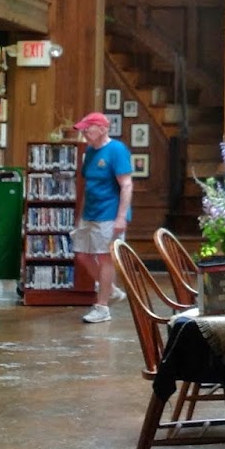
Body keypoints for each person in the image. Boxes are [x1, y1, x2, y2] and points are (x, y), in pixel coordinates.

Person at [72, 111, 133, 325]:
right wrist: (80, 214)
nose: (85, 132)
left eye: (88, 128)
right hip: (90, 212)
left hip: (109, 213)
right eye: (83, 129)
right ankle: (111, 290)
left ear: (103, 129)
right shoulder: (89, 152)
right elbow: (87, 186)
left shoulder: (116, 150)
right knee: (82, 254)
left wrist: (121, 217)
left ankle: (102, 306)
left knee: (105, 257)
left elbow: (126, 184)